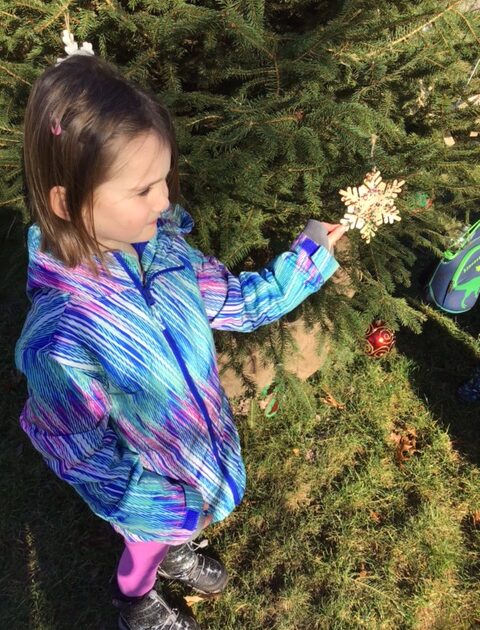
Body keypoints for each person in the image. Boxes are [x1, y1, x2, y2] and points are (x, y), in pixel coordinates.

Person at [15, 41, 346, 630]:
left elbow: (238, 302)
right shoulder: (62, 339)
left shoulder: (167, 252)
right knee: (143, 551)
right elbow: (76, 448)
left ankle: (175, 549)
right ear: (68, 202)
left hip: (196, 454)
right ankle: (136, 601)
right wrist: (162, 509)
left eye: (164, 180)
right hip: (150, 492)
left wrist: (307, 259)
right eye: (143, 189)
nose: (165, 199)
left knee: (174, 533)